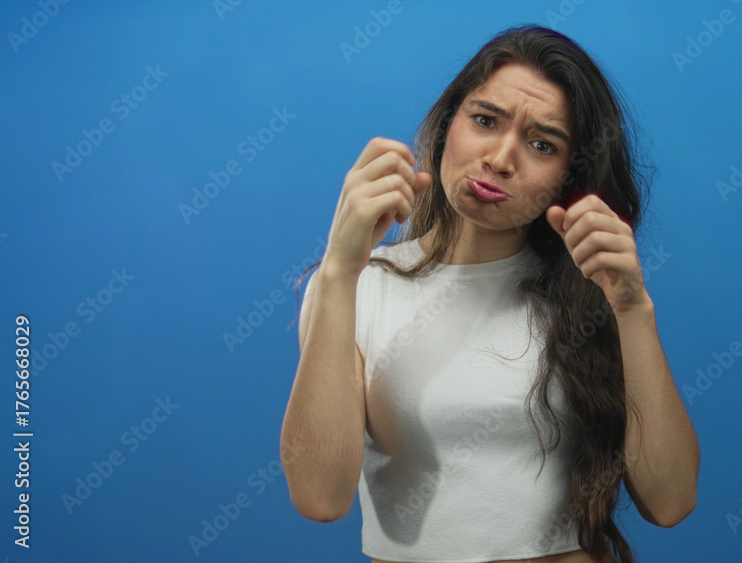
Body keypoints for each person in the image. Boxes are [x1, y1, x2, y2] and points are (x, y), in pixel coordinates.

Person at [280, 24, 699, 563]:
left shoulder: (590, 292)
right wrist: (339, 271)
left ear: (567, 177)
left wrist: (634, 309)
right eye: (485, 120)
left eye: (542, 144)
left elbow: (671, 502)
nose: (501, 158)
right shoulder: (360, 286)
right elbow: (318, 497)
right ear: (447, 124)